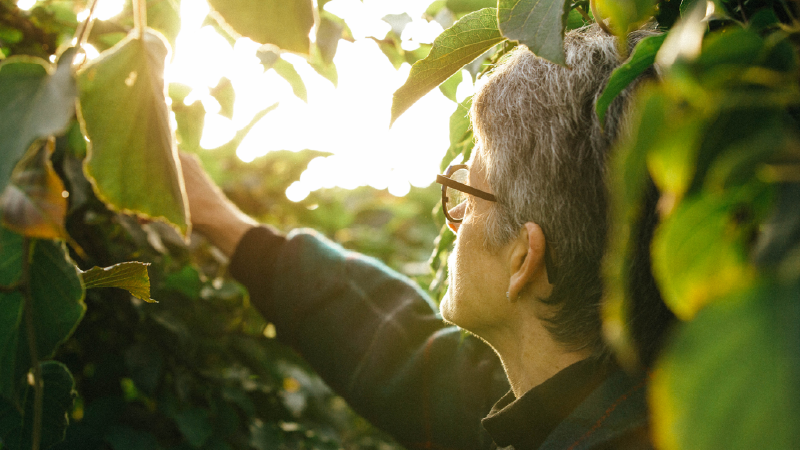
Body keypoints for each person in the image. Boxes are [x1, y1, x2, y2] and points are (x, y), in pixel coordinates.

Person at [180, 24, 669, 450]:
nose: (452, 219)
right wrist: (224, 223)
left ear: (523, 258)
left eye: (468, 193)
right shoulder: (588, 405)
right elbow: (407, 362)